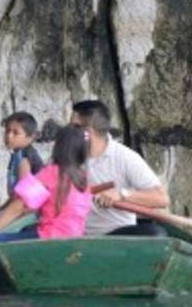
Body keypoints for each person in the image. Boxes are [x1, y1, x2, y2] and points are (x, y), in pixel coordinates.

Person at [0, 125, 91, 256]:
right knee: (26, 229)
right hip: (75, 239)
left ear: (58, 146)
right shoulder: (83, 178)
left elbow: (18, 207)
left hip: (50, 238)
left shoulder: (51, 172)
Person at [70, 99, 170, 236]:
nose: (68, 133)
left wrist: (121, 195)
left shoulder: (125, 157)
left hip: (116, 238)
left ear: (87, 132)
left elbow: (161, 199)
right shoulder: (66, 153)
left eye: (73, 127)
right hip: (73, 236)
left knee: (155, 234)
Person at [2, 111, 45, 199]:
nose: (9, 136)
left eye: (16, 133)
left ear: (30, 138)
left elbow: (23, 196)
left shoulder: (24, 158)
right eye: (7, 130)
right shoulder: (17, 154)